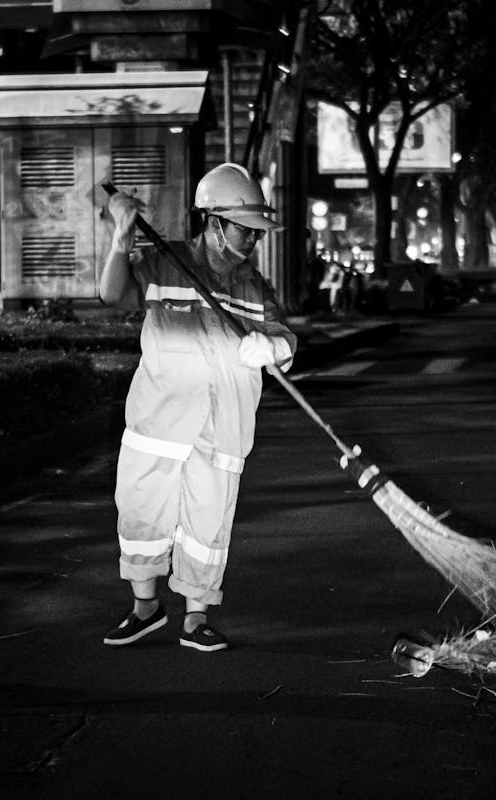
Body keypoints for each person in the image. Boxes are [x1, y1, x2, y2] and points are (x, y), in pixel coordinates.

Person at [99, 162, 297, 652]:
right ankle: (145, 608)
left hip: (222, 428)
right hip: (158, 422)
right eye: (245, 229)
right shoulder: (164, 264)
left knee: (208, 526)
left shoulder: (254, 286)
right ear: (214, 222)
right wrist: (121, 236)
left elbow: (283, 335)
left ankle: (196, 617)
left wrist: (276, 346)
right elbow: (111, 294)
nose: (254, 239)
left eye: (257, 231)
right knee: (143, 517)